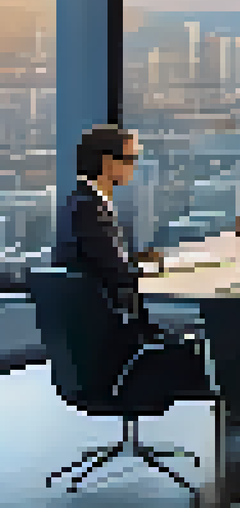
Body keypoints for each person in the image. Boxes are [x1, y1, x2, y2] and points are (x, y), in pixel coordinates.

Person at [53, 125, 210, 399]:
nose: (134, 167)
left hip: (97, 339)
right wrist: (157, 269)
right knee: (213, 353)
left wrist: (138, 260)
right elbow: (120, 275)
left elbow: (101, 262)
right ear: (106, 163)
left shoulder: (81, 203)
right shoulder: (88, 210)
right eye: (129, 159)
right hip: (114, 346)